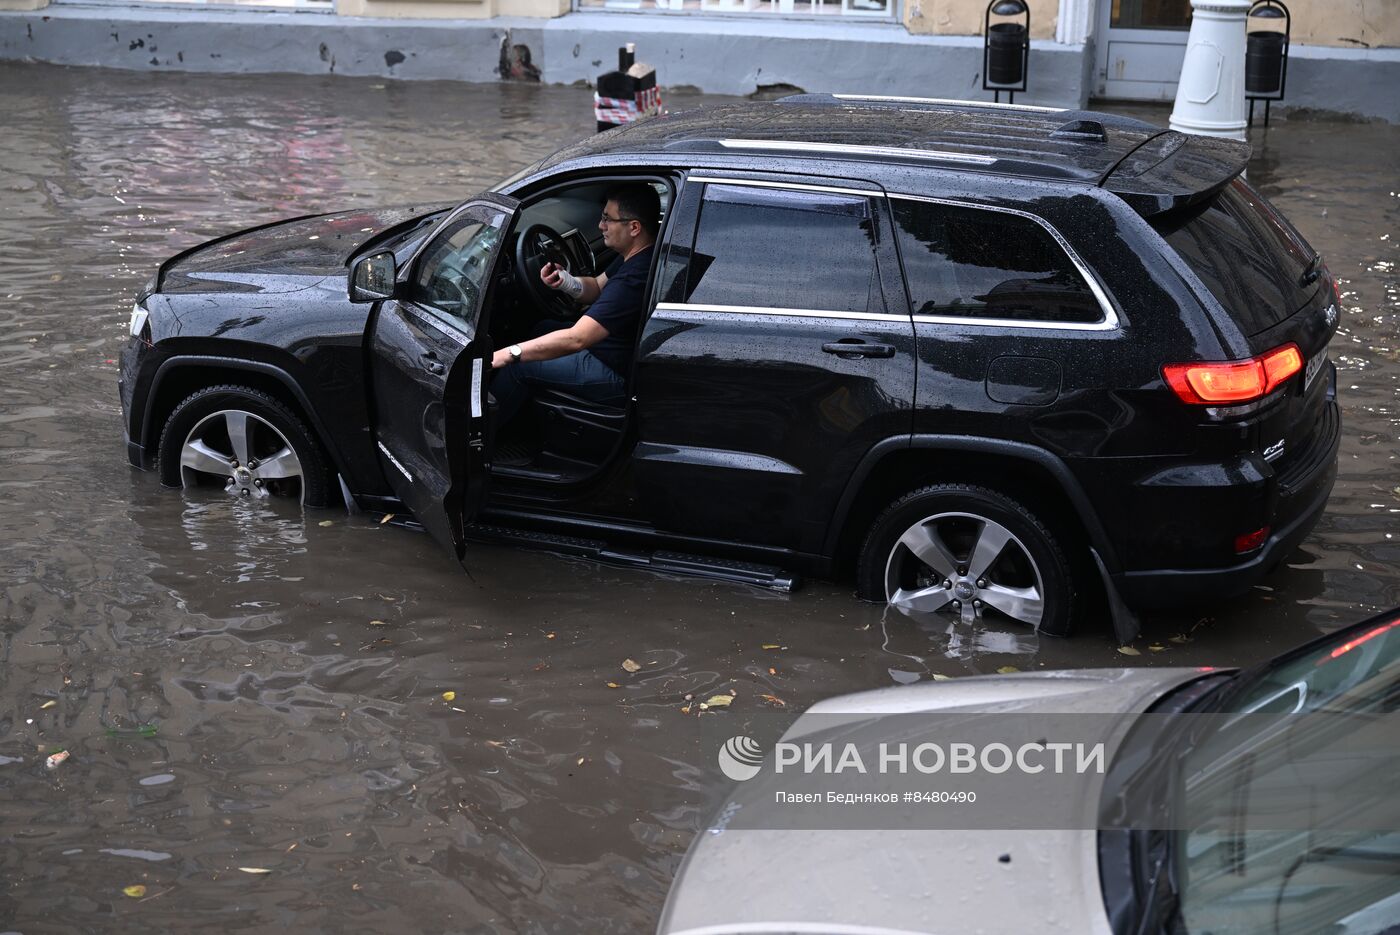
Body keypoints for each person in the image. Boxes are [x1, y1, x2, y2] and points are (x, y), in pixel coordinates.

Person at [489, 183, 659, 424]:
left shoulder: (635, 278)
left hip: (616, 372)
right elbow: (598, 287)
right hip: (611, 349)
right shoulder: (639, 255)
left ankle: (482, 438)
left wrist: (510, 353)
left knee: (519, 366)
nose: (601, 226)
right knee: (542, 327)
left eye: (608, 219)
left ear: (634, 227)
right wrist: (565, 282)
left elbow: (577, 338)